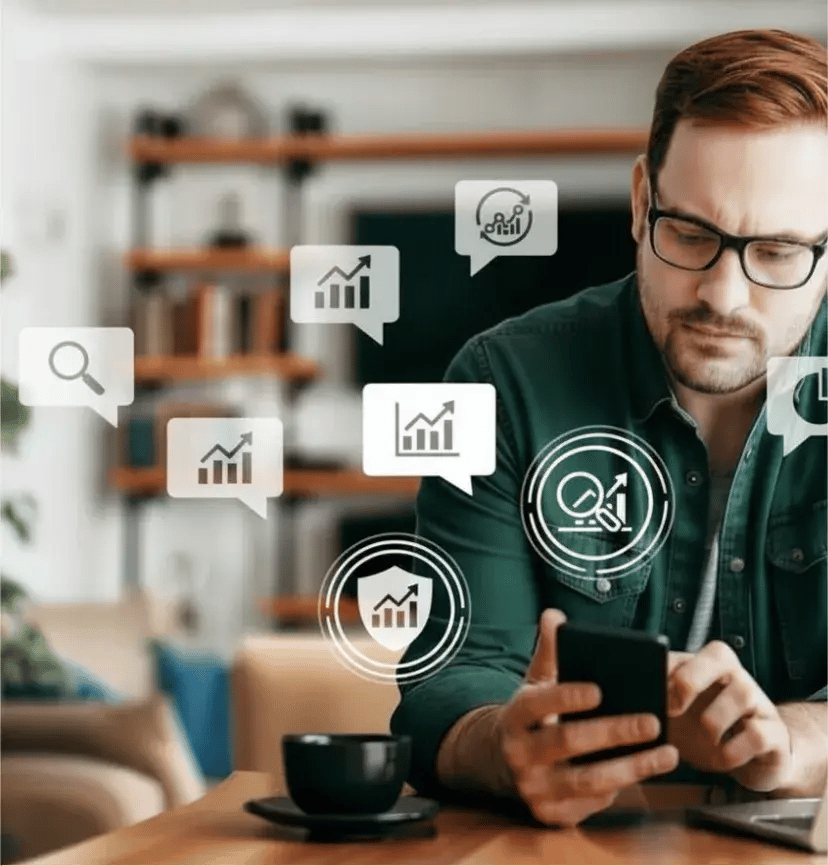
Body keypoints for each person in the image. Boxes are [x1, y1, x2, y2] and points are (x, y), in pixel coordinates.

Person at [390, 28, 828, 827]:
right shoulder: (500, 382)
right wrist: (504, 746)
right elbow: (449, 681)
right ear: (639, 202)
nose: (724, 296)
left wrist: (799, 739)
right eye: (690, 234)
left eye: (776, 251)